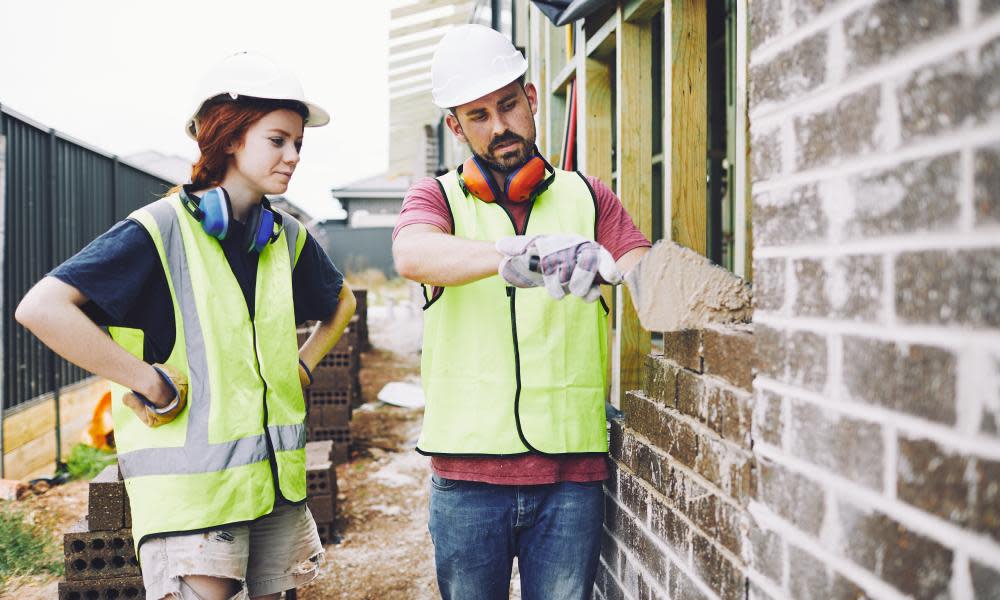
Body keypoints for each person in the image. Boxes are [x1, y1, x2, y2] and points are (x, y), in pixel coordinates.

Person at [16, 51, 355, 600]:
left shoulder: (283, 237)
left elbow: (342, 304)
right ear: (228, 136)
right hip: (194, 505)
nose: (293, 155)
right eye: (278, 140)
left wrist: (303, 364)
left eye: (298, 143)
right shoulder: (159, 230)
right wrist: (144, 380)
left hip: (273, 488)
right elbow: (41, 308)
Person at [392, 24, 651, 600]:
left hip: (570, 476)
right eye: (478, 115)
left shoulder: (589, 197)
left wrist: (612, 268)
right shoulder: (437, 199)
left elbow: (645, 271)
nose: (500, 126)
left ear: (531, 100)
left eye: (508, 105)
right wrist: (512, 255)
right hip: (467, 479)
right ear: (456, 127)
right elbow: (412, 252)